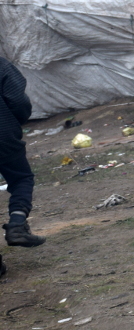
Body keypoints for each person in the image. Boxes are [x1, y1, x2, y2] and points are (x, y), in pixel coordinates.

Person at [0, 56, 46, 278]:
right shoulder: (1, 64)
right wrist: (13, 121)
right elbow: (18, 100)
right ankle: (17, 224)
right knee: (20, 178)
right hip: (2, 135)